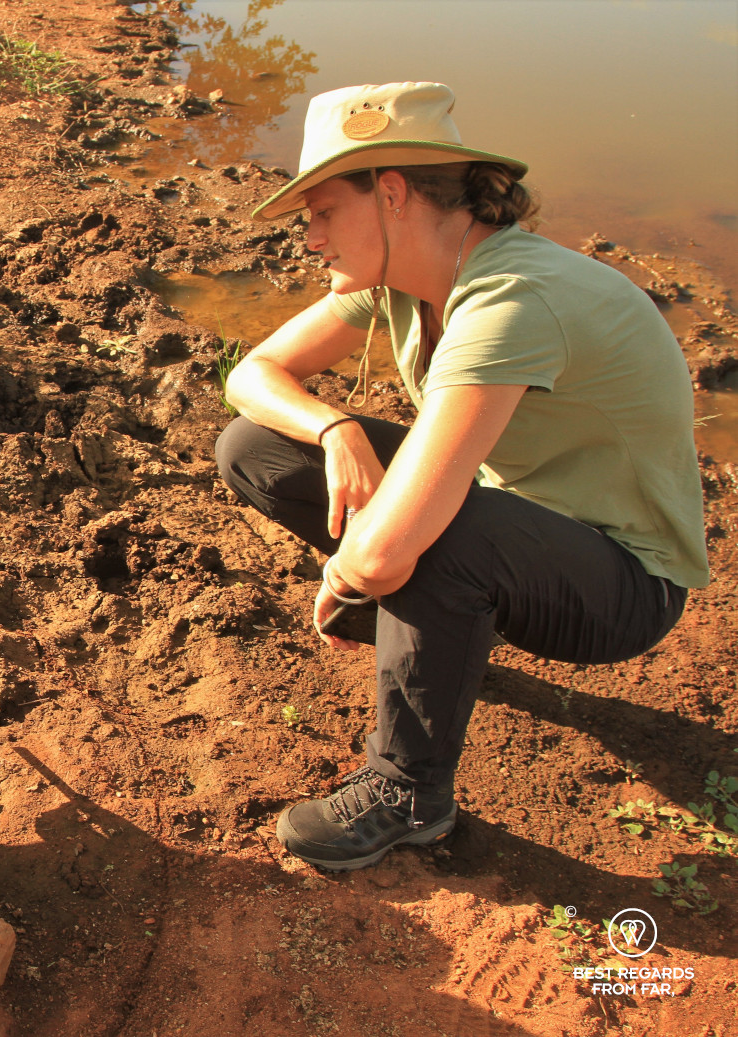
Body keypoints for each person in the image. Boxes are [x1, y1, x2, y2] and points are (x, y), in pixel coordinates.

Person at [215, 83, 708, 872]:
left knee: (427, 535)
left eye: (320, 212)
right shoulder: (404, 283)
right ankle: (425, 625)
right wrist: (335, 428)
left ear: (392, 194)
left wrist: (355, 572)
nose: (308, 239)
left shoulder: (510, 298)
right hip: (518, 524)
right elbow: (253, 374)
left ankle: (408, 792)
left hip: (624, 581)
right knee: (254, 445)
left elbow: (384, 551)